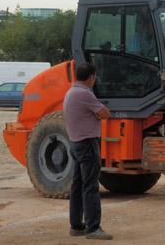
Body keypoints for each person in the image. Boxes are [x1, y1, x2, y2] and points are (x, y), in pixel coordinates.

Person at [63, 62, 113, 240]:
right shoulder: (85, 94)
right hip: (87, 143)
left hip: (75, 142)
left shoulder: (71, 92)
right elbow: (105, 113)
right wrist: (100, 112)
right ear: (92, 77)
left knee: (77, 185)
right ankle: (93, 228)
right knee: (90, 186)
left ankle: (76, 225)